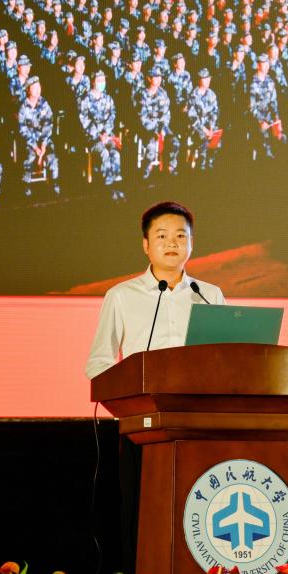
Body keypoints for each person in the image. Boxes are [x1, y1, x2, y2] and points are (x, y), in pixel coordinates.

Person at [84, 201, 225, 379]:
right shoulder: (121, 295)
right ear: (146, 245)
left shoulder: (210, 295)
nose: (172, 243)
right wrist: (128, 386)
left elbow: (228, 356)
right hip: (143, 394)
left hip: (200, 394)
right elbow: (98, 364)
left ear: (191, 243)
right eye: (162, 236)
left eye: (180, 236)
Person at [78, 71, 123, 199]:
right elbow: (84, 120)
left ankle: (116, 180)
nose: (102, 83)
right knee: (104, 152)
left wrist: (106, 133)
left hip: (107, 134)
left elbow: (112, 116)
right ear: (93, 82)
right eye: (99, 80)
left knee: (115, 152)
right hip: (91, 136)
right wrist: (98, 135)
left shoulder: (108, 98)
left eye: (103, 80)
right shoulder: (85, 99)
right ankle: (107, 183)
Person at [18, 76, 60, 196]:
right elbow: (23, 130)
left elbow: (49, 124)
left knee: (52, 157)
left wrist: (43, 144)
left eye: (39, 87)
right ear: (28, 90)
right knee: (29, 157)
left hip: (44, 141)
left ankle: (55, 183)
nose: (37, 90)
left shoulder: (44, 104)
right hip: (30, 142)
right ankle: (26, 184)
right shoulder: (23, 107)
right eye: (34, 88)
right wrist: (35, 147)